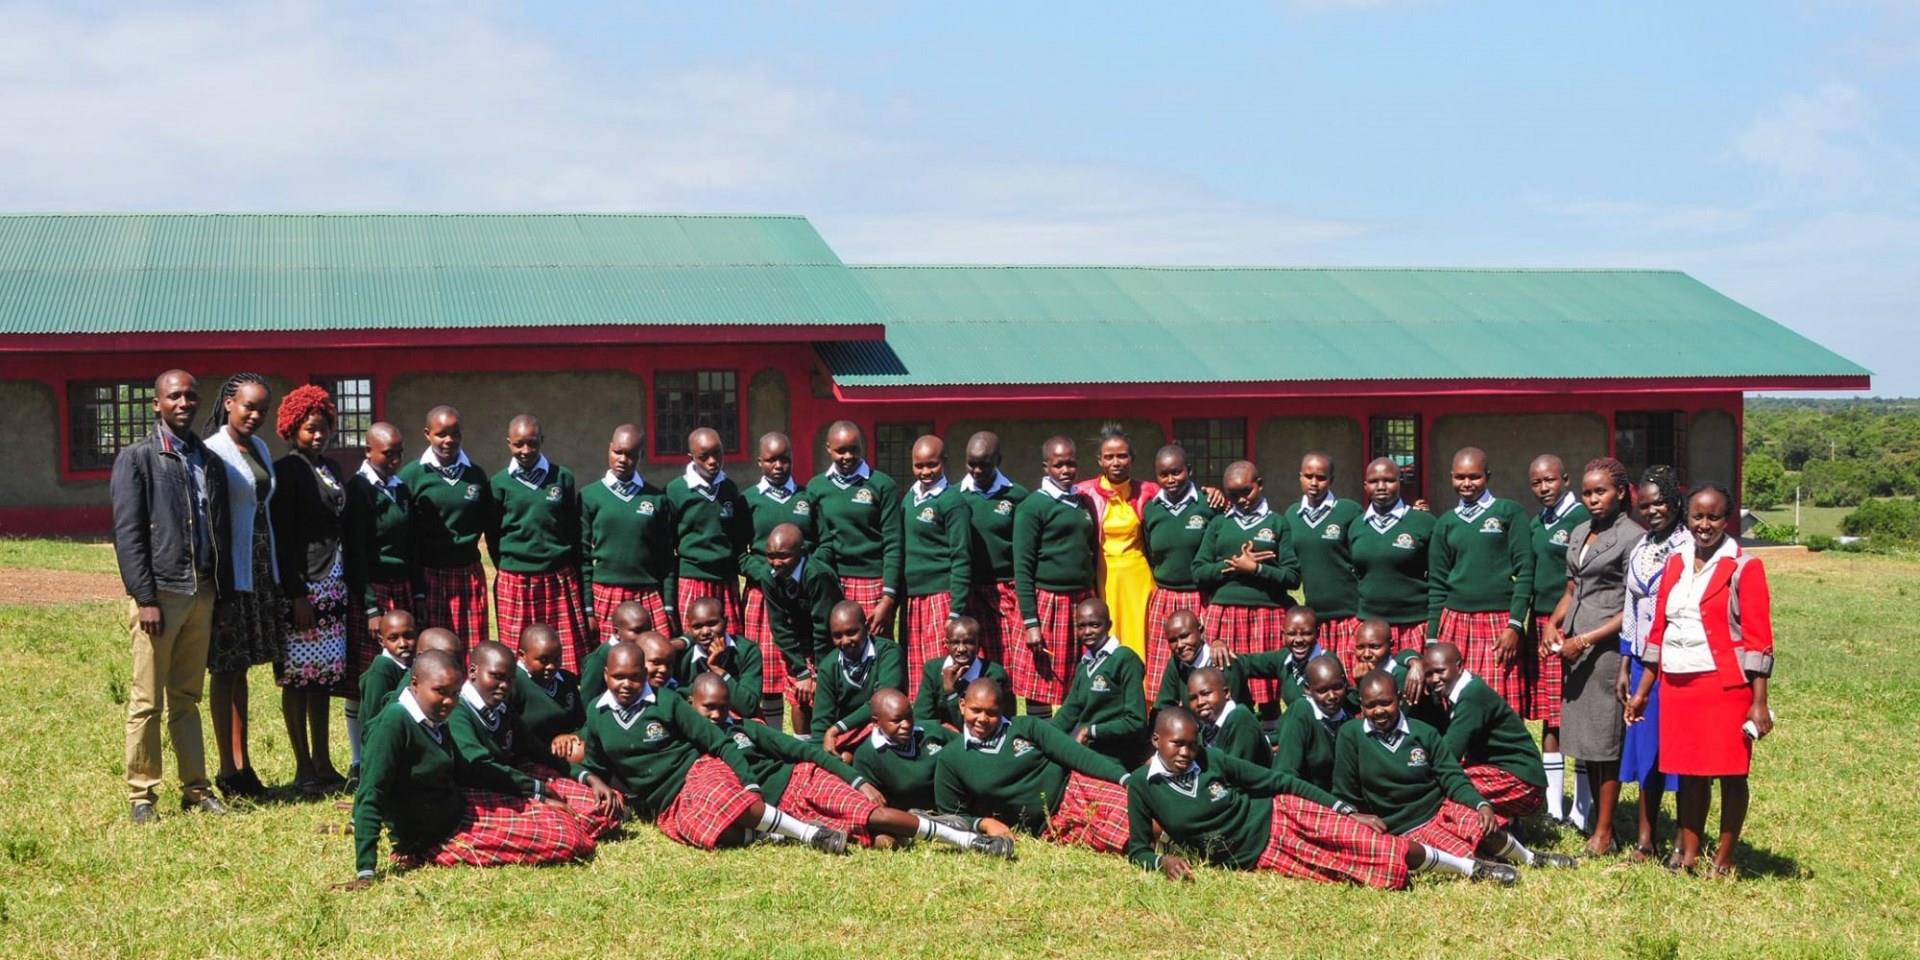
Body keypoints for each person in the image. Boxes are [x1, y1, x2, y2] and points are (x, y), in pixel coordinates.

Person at [340, 650, 596, 889]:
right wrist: (366, 871)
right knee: (565, 839)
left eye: (454, 693)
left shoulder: (434, 717)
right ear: (415, 684)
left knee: (565, 817)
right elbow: (371, 794)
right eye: (440, 691)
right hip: (434, 835)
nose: (449, 701)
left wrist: (537, 791)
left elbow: (473, 769)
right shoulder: (394, 724)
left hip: (458, 807)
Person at [685, 675, 1012, 856]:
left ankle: (968, 840)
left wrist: (857, 782)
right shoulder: (688, 748)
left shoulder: (744, 728)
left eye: (723, 707)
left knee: (870, 813)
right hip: (780, 811)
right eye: (708, 708)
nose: (716, 715)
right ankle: (915, 825)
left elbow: (805, 752)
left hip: (802, 781)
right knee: (872, 838)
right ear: (690, 704)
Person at [570, 643, 846, 854]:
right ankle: (773, 834)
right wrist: (592, 780)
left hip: (695, 772)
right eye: (618, 677)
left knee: (727, 801)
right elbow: (593, 764)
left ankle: (811, 834)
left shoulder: (667, 701)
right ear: (606, 675)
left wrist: (749, 783)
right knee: (707, 833)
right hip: (665, 801)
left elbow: (718, 741)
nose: (626, 685)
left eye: (634, 677)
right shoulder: (596, 713)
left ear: (644, 674)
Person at [1127, 706, 1436, 889]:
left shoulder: (1211, 759)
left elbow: (1279, 781)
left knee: (1371, 842)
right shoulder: (1142, 785)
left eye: (1192, 744)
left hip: (1283, 816)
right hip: (1261, 856)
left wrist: (1344, 810)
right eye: (1178, 744)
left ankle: (1461, 866)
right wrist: (1161, 862)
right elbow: (1138, 850)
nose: (1186, 752)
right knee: (1355, 873)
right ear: (1156, 740)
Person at [1631, 482, 1774, 876]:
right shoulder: (1675, 563)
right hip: (1678, 685)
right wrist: (1644, 690)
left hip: (1724, 686)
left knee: (1730, 772)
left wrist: (1758, 702)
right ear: (1687, 517)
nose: (1705, 525)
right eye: (1698, 516)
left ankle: (1724, 859)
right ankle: (1690, 854)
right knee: (1690, 772)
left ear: (1727, 519)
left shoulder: (1744, 566)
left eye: (1714, 517)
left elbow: (1759, 640)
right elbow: (1658, 632)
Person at [112, 369, 231, 823]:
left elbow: (218, 529)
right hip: (160, 594)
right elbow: (129, 534)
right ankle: (142, 795)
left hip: (201, 592)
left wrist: (219, 593)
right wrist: (145, 597)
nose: (184, 403)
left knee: (186, 696)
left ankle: (196, 789)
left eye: (190, 396)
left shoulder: (208, 460)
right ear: (157, 404)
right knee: (147, 699)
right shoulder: (138, 459)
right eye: (174, 396)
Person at [1334, 672, 1572, 880]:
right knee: (1457, 851)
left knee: (1484, 828)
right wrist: (1355, 816)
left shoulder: (1423, 732)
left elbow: (1452, 776)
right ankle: (1478, 869)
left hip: (1441, 809)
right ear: (1362, 705)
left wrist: (1480, 804)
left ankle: (1531, 858)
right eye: (1370, 705)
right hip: (1405, 826)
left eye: (1386, 703)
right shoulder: (1351, 735)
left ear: (1399, 698)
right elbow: (1345, 789)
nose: (1378, 711)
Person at [1544, 458, 1644, 854]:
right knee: (1589, 742)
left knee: (1607, 741)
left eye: (1600, 491)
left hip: (1606, 651)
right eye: (1587, 493)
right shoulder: (1580, 530)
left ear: (1620, 492)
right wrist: (1553, 624)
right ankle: (1595, 821)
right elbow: (1572, 589)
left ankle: (1604, 832)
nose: (1592, 499)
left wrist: (1583, 640)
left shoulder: (1632, 537)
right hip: (1575, 651)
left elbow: (1631, 608)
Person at [933, 678, 1133, 854]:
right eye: (975, 710)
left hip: (1077, 789)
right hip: (1053, 825)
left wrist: (1123, 778)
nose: (983, 719)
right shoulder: (951, 758)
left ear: (1002, 710)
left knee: (1136, 813)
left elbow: (1075, 754)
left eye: (991, 712)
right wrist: (984, 823)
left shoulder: (1026, 727)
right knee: (1124, 841)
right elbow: (952, 818)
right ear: (962, 705)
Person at [201, 373, 282, 799]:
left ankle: (243, 764)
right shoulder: (214, 451)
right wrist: (222, 586)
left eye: (262, 410)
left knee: (243, 669)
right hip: (232, 574)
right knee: (226, 668)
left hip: (261, 570)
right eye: (249, 406)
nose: (255, 415)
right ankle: (226, 770)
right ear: (229, 402)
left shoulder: (261, 448)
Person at [449, 641, 621, 839]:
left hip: (514, 779)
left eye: (510, 680)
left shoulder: (501, 708)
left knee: (605, 804)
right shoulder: (458, 712)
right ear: (473, 672)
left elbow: (536, 749)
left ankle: (580, 822)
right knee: (562, 835)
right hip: (481, 789)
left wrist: (588, 777)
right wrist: (538, 792)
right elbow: (482, 768)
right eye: (496, 677)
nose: (504, 686)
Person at [271, 384, 351, 795]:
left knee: (322, 681)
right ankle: (302, 766)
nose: (318, 435)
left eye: (323, 428)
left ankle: (323, 761)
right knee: (297, 680)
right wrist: (296, 593)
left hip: (333, 585)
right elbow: (282, 537)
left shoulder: (331, 468)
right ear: (291, 429)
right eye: (309, 429)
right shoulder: (286, 471)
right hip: (303, 588)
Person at [1426, 447, 1534, 719]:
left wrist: (1515, 625)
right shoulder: (1446, 523)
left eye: (1474, 477)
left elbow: (1525, 571)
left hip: (1498, 623)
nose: (1466, 483)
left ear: (1487, 476)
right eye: (1460, 477)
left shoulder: (1509, 512)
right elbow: (1437, 585)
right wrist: (1432, 638)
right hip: (1455, 621)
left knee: (1498, 702)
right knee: (1455, 701)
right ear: (1451, 477)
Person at [342, 421, 419, 789]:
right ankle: (360, 759)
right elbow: (355, 552)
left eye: (399, 453)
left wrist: (417, 593)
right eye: (388, 454)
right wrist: (371, 607)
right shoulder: (358, 491)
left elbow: (411, 545)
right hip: (371, 592)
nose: (395, 460)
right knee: (366, 679)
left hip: (400, 589)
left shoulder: (400, 489)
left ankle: (399, 753)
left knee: (403, 671)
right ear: (368, 452)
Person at [1618, 465, 1689, 861]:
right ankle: (1646, 840)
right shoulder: (1641, 548)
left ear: (1675, 501)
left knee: (1678, 753)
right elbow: (1631, 608)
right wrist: (1625, 662)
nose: (1652, 511)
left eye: (1659, 503)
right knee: (1648, 753)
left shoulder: (1689, 547)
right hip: (1642, 662)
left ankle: (1683, 840)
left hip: (1677, 663)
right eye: (1644, 506)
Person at [1194, 461, 1300, 716]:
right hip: (1225, 614)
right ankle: (1239, 733)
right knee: (1229, 686)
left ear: (1260, 485)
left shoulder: (1277, 523)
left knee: (1269, 695)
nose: (1241, 500)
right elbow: (1198, 571)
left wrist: (1257, 569)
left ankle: (1270, 737)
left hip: (1268, 613)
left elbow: (1293, 576)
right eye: (1233, 495)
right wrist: (1232, 566)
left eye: (1247, 491)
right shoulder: (1219, 524)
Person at [487, 414, 589, 672]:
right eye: (518, 444)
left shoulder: (561, 478)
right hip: (516, 578)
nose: (525, 450)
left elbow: (571, 529)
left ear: (542, 440)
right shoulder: (498, 484)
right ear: (508, 443)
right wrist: (512, 563)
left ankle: (564, 690)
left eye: (532, 443)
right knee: (518, 656)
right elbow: (493, 534)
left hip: (557, 576)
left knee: (563, 653)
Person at [1012, 436, 1099, 718]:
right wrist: (1031, 622)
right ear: (1046, 467)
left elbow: (1091, 552)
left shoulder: (1083, 502)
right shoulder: (1032, 507)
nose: (1065, 470)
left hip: (1081, 602)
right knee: (1041, 681)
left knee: (1081, 679)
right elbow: (1022, 567)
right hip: (1047, 602)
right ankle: (1041, 737)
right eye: (1058, 465)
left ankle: (1073, 737)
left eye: (1071, 464)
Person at [1416, 643, 1549, 824]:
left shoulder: (1472, 695)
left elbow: (1449, 754)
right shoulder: (1462, 690)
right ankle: (1506, 824)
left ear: (1459, 666)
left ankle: (1500, 834)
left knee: (1448, 787)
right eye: (1429, 674)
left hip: (1521, 780)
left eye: (1440, 671)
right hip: (1506, 773)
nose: (1434, 679)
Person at [397, 405, 493, 645]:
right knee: (434, 647)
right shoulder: (411, 476)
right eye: (441, 434)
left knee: (472, 647)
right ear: (427, 434)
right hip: (429, 576)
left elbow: (488, 522)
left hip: (467, 574)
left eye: (455, 434)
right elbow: (406, 534)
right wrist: (417, 588)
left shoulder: (475, 475)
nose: (449, 440)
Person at [1527, 453, 1587, 823]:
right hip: (1540, 622)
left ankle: (1582, 807)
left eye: (1550, 480)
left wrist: (1561, 620)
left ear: (1565, 479)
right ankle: (1553, 805)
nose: (1543, 488)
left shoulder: (1582, 518)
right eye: (1536, 482)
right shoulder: (1537, 522)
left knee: (1577, 712)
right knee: (1552, 715)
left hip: (1572, 623)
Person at [742, 431, 817, 726]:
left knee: (803, 670)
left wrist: (804, 573)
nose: (778, 466)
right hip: (763, 595)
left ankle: (803, 740)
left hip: (801, 594)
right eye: (771, 460)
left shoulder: (806, 497)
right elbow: (739, 552)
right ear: (759, 461)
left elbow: (819, 542)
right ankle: (772, 738)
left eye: (784, 459)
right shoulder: (748, 500)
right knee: (767, 677)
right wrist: (766, 574)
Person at [579, 423, 678, 641]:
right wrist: (588, 608)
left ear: (641, 456)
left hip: (647, 592)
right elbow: (582, 557)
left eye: (631, 455)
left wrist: (669, 605)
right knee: (610, 656)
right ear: (609, 449)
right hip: (605, 592)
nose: (623, 460)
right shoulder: (589, 496)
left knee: (654, 654)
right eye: (618, 452)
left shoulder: (656, 499)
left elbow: (666, 557)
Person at [808, 420, 904, 637]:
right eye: (840, 450)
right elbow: (814, 539)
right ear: (828, 449)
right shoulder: (816, 488)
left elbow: (893, 543)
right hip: (832, 581)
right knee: (834, 646)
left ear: (863, 446)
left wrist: (888, 597)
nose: (848, 456)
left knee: (873, 647)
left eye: (854, 449)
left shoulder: (882, 485)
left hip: (873, 582)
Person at [1074, 423, 1158, 666]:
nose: (1116, 462)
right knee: (1108, 630)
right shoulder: (1084, 493)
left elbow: (1181, 498)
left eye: (1122, 456)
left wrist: (1212, 493)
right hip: (1105, 575)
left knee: (1140, 635)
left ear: (1132, 458)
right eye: (1109, 457)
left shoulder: (1149, 492)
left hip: (1138, 577)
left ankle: (1142, 685)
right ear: (1100, 460)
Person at [1139, 444, 1217, 692]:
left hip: (1201, 597)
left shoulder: (1208, 504)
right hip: (1165, 598)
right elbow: (1151, 553)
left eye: (1177, 472)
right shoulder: (1151, 509)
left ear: (1189, 470)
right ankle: (1166, 714)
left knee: (1203, 668)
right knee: (1163, 674)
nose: (1171, 479)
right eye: (1164, 474)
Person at [900, 434, 972, 696]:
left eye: (932, 465)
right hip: (913, 599)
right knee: (915, 671)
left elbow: (961, 557)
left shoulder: (952, 502)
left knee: (941, 669)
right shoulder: (910, 498)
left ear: (945, 462)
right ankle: (921, 717)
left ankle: (946, 717)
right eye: (919, 465)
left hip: (940, 597)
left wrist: (955, 610)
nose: (925, 471)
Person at [666, 427, 752, 634]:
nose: (712, 461)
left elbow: (737, 538)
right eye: (704, 457)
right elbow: (668, 543)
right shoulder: (676, 491)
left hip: (725, 579)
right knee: (695, 638)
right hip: (692, 577)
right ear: (691, 457)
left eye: (717, 453)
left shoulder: (729, 488)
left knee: (730, 639)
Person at [761, 522, 845, 734]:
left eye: (783, 556)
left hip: (829, 642)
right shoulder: (769, 575)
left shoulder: (817, 575)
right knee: (799, 696)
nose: (776, 562)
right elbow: (779, 626)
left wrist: (819, 675)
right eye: (770, 556)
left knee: (825, 697)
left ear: (802, 552)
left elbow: (823, 628)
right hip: (798, 640)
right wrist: (801, 671)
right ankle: (802, 744)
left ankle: (828, 740)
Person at [1348, 457, 1435, 658]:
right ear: (1365, 486)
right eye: (1374, 481)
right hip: (1369, 626)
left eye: (1388, 480)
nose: (1381, 487)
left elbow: (1437, 578)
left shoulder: (1425, 523)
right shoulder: (1356, 526)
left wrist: (1432, 629)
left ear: (1400, 482)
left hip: (1413, 625)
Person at [1285, 452, 1364, 672]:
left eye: (1321, 477)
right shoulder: (1292, 515)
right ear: (1300, 477)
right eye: (1308, 476)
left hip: (1349, 615)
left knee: (1349, 677)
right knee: (1320, 677)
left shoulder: (1348, 511)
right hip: (1314, 619)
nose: (1314, 483)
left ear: (1331, 480)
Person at [958, 431, 1030, 665]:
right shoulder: (956, 497)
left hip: (1007, 589)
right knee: (976, 660)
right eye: (972, 464)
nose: (977, 470)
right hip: (970, 589)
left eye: (985, 464)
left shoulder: (1017, 496)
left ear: (998, 460)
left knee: (1010, 658)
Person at [1051, 598, 1149, 767]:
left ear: (1109, 625)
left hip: (1116, 753)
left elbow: (1136, 721)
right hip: (1087, 748)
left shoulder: (1124, 659)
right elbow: (1069, 712)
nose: (1087, 631)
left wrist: (1092, 731)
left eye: (1094, 625)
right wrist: (1043, 734)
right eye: (1081, 626)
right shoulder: (1085, 665)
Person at [813, 601, 907, 759]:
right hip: (847, 736)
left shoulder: (888, 653)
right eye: (837, 636)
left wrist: (838, 728)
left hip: (886, 730)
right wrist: (821, 757)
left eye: (851, 632)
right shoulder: (829, 667)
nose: (845, 641)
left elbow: (882, 703)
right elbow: (821, 723)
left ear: (867, 627)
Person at [854, 688, 957, 814]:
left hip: (958, 806)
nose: (906, 725)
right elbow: (878, 808)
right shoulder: (867, 756)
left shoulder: (931, 730)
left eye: (909, 717)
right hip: (915, 818)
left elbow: (966, 751)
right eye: (896, 721)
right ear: (876, 722)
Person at [674, 595, 766, 721]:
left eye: (712, 624)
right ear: (689, 629)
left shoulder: (747, 651)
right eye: (697, 627)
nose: (705, 632)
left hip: (738, 722)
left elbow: (749, 707)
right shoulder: (683, 655)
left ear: (725, 621)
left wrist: (718, 670)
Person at [913, 615, 1010, 729]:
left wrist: (951, 694)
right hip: (940, 735)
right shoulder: (933, 669)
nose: (961, 649)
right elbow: (922, 718)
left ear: (979, 644)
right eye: (955, 643)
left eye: (968, 642)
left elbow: (986, 724)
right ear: (946, 644)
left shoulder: (993, 674)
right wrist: (942, 731)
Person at [509, 625, 587, 763]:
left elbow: (582, 723)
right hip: (531, 755)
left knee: (580, 750)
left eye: (557, 659)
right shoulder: (514, 684)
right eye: (543, 660)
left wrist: (571, 736)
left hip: (565, 750)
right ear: (522, 656)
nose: (551, 666)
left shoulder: (567, 680)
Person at [1273, 657, 1352, 790]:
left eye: (1337, 687)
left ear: (1345, 684)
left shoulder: (1347, 713)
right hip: (1307, 795)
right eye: (1322, 690)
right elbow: (1286, 772)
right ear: (1308, 689)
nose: (1332, 696)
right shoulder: (1302, 712)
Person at [1151, 609, 1251, 711]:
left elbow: (1228, 712)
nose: (1180, 645)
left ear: (1201, 631)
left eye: (1185, 636)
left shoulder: (1222, 661)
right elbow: (1163, 706)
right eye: (1173, 641)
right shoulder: (1176, 663)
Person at [355, 610, 417, 750]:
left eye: (408, 636)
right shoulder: (380, 671)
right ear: (381, 641)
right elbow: (373, 720)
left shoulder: (414, 664)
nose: (403, 644)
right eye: (393, 638)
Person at [1186, 666, 1268, 766]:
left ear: (1226, 693)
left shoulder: (1240, 719)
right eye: (1193, 698)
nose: (1200, 702)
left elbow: (1235, 769)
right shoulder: (1206, 730)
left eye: (1206, 694)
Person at [582, 600, 648, 704]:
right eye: (637, 631)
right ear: (617, 632)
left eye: (648, 630)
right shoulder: (599, 659)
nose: (645, 636)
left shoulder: (641, 651)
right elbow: (587, 699)